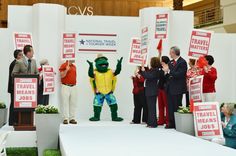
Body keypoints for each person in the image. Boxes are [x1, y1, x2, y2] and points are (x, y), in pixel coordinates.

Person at [162, 46, 187, 129]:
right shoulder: (170, 62)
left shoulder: (182, 62)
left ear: (174, 53)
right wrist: (166, 72)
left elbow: (179, 74)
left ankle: (177, 123)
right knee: (170, 106)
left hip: (178, 88)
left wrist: (168, 71)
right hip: (170, 88)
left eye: (170, 52)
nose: (169, 54)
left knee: (177, 106)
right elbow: (168, 75)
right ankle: (171, 122)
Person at [140, 57, 162, 128]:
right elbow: (147, 74)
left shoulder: (155, 70)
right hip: (150, 90)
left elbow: (148, 76)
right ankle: (150, 122)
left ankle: (153, 123)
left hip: (152, 90)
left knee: (152, 107)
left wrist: (143, 70)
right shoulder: (153, 69)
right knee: (150, 107)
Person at [59, 60, 78, 124]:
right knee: (65, 102)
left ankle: (72, 118)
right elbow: (61, 76)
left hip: (74, 86)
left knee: (73, 103)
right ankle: (65, 118)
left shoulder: (74, 66)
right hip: (65, 86)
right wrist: (66, 70)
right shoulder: (63, 65)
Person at [7, 49, 23, 125]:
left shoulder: (16, 63)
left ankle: (13, 121)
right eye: (21, 55)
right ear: (17, 56)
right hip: (14, 87)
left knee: (14, 104)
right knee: (14, 104)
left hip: (15, 87)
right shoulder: (15, 63)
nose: (22, 56)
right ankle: (13, 121)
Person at [157, 56, 169, 126]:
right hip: (159, 88)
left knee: (166, 105)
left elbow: (167, 78)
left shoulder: (169, 68)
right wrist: (159, 53)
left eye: (161, 60)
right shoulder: (160, 67)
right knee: (160, 105)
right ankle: (161, 120)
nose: (160, 61)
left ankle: (167, 120)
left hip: (165, 89)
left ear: (163, 61)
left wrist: (166, 72)